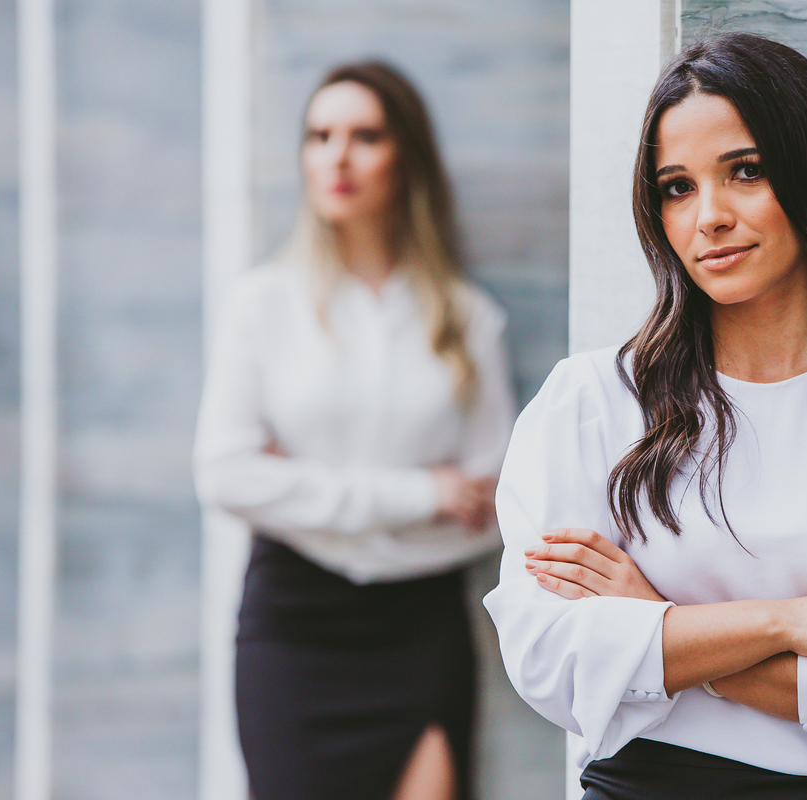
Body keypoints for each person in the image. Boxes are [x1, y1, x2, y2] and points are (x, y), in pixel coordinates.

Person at [483, 32, 807, 799]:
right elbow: (551, 660)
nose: (709, 217)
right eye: (677, 186)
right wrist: (794, 623)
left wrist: (657, 626)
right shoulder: (591, 400)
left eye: (745, 171)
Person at [194, 60, 516, 800]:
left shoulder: (469, 320)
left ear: (408, 157)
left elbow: (495, 508)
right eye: (319, 136)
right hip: (295, 623)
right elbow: (224, 475)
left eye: (365, 136)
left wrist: (297, 489)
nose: (336, 157)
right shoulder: (262, 305)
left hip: (420, 626)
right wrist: (421, 495)